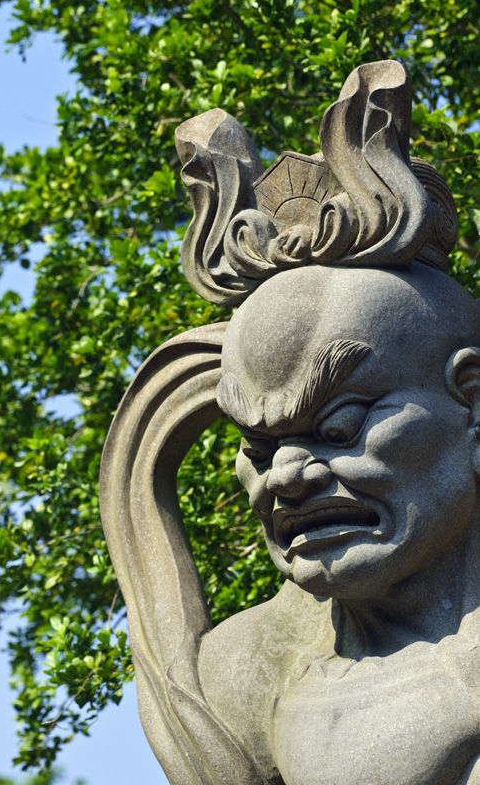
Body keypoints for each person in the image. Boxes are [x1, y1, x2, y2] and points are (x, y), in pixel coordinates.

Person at [100, 61, 480, 785]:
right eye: (259, 445)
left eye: (338, 429)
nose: (286, 477)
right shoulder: (244, 677)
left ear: (471, 403)